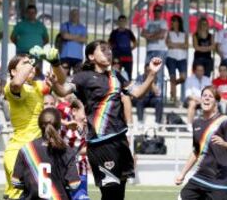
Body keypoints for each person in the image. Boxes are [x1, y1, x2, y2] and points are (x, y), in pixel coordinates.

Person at [51, 40, 162, 200]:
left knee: (119, 194)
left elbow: (137, 93)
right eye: (103, 50)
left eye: (109, 49)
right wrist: (55, 83)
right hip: (101, 143)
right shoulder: (82, 77)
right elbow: (62, 91)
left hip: (120, 141)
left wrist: (152, 74)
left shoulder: (116, 76)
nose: (108, 52)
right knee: (110, 193)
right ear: (91, 56)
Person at [3, 49, 65, 200]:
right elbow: (18, 82)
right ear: (13, 71)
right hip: (19, 151)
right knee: (17, 195)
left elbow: (62, 83)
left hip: (38, 150)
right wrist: (34, 60)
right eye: (25, 63)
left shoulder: (36, 86)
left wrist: (55, 63)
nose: (31, 66)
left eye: (30, 63)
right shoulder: (11, 86)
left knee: (42, 195)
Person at [175, 86, 227, 200]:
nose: (206, 98)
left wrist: (225, 143)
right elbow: (196, 151)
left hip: (220, 182)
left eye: (210, 96)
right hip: (200, 178)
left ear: (216, 102)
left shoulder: (225, 121)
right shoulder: (196, 123)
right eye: (204, 96)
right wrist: (183, 174)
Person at [12, 107, 81, 200]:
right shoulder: (67, 150)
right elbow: (74, 184)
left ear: (39, 125)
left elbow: (16, 182)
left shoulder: (26, 149)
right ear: (59, 126)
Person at [59, 99, 90, 200]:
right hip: (63, 170)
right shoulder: (66, 122)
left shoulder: (89, 126)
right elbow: (50, 117)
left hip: (80, 170)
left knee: (81, 197)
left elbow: (82, 150)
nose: (86, 118)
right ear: (74, 111)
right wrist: (65, 123)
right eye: (84, 113)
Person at [140, 4, 167, 95]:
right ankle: (147, 93)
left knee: (158, 72)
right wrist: (155, 34)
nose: (157, 12)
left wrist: (150, 36)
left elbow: (162, 35)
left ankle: (158, 94)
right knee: (147, 71)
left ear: (161, 12)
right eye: (155, 10)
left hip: (160, 50)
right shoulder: (148, 22)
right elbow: (143, 34)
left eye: (159, 10)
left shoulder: (163, 22)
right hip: (149, 50)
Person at [132, 63, 163, 128]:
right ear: (144, 70)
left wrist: (150, 81)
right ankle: (140, 121)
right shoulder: (139, 78)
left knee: (159, 101)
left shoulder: (157, 78)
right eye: (147, 70)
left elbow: (158, 93)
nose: (148, 72)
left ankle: (157, 123)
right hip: (142, 97)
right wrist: (146, 82)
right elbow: (137, 92)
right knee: (139, 100)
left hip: (151, 98)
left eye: (150, 71)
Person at [166, 15, 188, 102]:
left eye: (174, 21)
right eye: (172, 21)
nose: (172, 22)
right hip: (171, 57)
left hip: (182, 58)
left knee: (183, 77)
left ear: (179, 22)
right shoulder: (169, 33)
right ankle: (174, 99)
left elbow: (186, 46)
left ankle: (173, 86)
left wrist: (175, 44)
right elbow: (168, 45)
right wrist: (180, 45)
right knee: (172, 77)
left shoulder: (184, 33)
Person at [60, 8, 87, 75]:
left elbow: (84, 40)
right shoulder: (64, 25)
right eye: (73, 14)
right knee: (64, 76)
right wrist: (78, 36)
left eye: (76, 14)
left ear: (79, 16)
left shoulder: (82, 27)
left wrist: (70, 37)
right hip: (65, 55)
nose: (74, 16)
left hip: (78, 56)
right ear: (69, 15)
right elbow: (65, 36)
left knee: (77, 78)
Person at [109, 14, 137, 80]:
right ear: (118, 22)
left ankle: (127, 89)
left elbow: (135, 42)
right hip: (117, 57)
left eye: (123, 21)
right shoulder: (114, 32)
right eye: (120, 21)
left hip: (128, 57)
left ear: (126, 22)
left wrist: (130, 49)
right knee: (115, 75)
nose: (122, 23)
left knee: (128, 75)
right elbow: (109, 43)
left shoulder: (129, 32)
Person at [184, 63, 211, 127]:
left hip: (204, 99)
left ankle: (210, 124)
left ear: (204, 71)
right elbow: (188, 94)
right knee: (192, 103)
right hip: (192, 99)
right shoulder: (189, 79)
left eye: (201, 70)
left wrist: (203, 100)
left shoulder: (207, 79)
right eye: (198, 70)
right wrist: (199, 100)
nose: (200, 72)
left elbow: (210, 92)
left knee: (213, 104)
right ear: (195, 71)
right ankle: (189, 124)